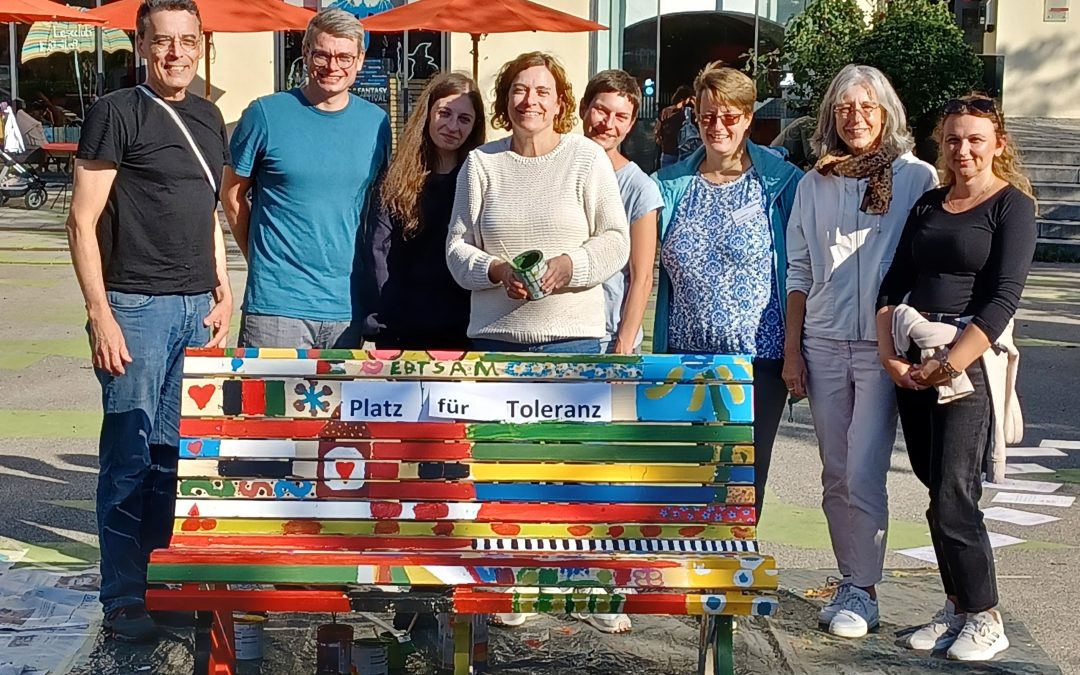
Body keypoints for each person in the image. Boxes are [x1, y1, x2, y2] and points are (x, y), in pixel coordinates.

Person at [65, 0, 231, 642]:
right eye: (162, 42)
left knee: (174, 459)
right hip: (134, 306)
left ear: (200, 45)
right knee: (129, 459)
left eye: (187, 41)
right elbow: (81, 221)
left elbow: (208, 212)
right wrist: (100, 314)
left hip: (195, 308)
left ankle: (164, 586)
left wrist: (222, 292)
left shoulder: (211, 115)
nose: (175, 53)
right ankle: (124, 597)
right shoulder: (116, 112)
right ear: (141, 44)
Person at [877, 94, 1036, 661]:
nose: (962, 149)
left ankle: (986, 615)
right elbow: (894, 280)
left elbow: (1003, 300)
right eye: (952, 139)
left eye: (974, 139)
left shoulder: (1011, 207)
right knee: (931, 485)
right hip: (913, 352)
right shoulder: (928, 203)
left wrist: (949, 363)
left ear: (998, 144)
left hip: (966, 365)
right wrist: (889, 355)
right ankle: (956, 605)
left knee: (954, 496)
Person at [783, 64, 938, 639]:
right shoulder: (814, 181)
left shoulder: (916, 178)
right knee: (833, 471)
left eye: (867, 107)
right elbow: (799, 271)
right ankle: (849, 577)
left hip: (882, 344)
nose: (856, 118)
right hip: (822, 339)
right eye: (845, 108)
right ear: (830, 115)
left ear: (886, 113)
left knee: (865, 468)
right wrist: (793, 349)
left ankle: (864, 590)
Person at [652, 62, 801, 519]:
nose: (718, 126)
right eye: (707, 116)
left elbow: (802, 270)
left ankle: (734, 579)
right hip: (686, 358)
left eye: (729, 116)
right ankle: (688, 578)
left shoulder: (781, 182)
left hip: (760, 358)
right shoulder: (671, 184)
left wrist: (798, 350)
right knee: (686, 478)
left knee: (744, 481)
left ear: (748, 117)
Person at [222, 8, 391, 349]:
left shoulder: (377, 123)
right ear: (305, 54)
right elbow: (232, 195)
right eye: (322, 54)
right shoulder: (265, 114)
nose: (332, 67)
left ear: (359, 61)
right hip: (275, 307)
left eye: (344, 56)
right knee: (267, 404)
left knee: (338, 405)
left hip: (347, 305)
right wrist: (260, 258)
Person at [445, 51, 629, 355]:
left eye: (542, 92)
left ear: (559, 104)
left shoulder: (587, 157)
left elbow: (616, 241)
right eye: (519, 90)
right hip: (495, 343)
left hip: (573, 344)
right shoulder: (480, 163)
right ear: (506, 100)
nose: (530, 100)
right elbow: (456, 248)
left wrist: (569, 266)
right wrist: (499, 271)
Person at [363, 72, 485, 350]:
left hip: (464, 329)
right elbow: (378, 252)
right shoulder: (395, 178)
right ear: (428, 114)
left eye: (464, 119)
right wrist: (385, 315)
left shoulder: (480, 179)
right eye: (445, 113)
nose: (453, 126)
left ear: (475, 126)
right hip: (401, 329)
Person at [580, 69, 664, 356]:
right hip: (560, 329)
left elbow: (642, 277)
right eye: (601, 111)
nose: (608, 124)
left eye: (621, 117)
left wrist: (624, 343)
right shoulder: (561, 168)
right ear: (583, 109)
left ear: (630, 125)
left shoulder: (639, 187)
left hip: (608, 336)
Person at [654, 85, 693, 168]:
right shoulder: (687, 113)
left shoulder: (665, 111)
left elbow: (657, 130)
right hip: (683, 151)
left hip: (668, 150)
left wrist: (662, 141)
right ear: (685, 98)